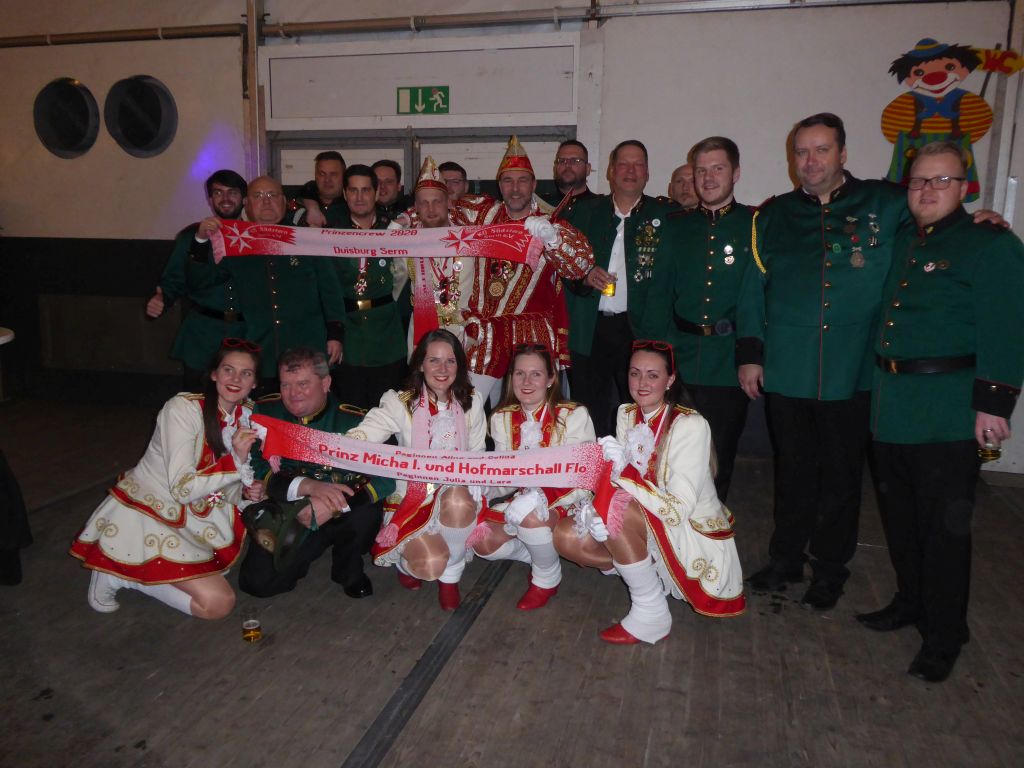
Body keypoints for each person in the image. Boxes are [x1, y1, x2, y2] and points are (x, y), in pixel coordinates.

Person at [858, 140, 1024, 682]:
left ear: (964, 187)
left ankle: (946, 633)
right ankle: (911, 601)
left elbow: (1006, 326)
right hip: (893, 405)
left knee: (945, 530)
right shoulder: (906, 238)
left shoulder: (989, 244)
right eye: (919, 180)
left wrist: (994, 405)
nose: (927, 190)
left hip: (948, 411)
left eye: (941, 180)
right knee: (901, 520)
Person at [736, 113, 911, 610]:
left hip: (853, 370)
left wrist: (980, 217)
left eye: (821, 150)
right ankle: (786, 558)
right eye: (801, 152)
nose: (810, 161)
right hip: (788, 368)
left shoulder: (886, 203)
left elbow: (937, 223)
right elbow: (753, 291)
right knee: (792, 472)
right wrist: (751, 356)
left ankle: (831, 569)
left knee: (841, 476)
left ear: (843, 153)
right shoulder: (772, 216)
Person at [554, 340, 745, 644]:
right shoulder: (626, 413)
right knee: (566, 535)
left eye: (653, 375)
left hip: (686, 529)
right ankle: (643, 571)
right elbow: (617, 482)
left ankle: (651, 612)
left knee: (612, 513)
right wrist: (595, 506)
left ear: (670, 380)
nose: (642, 383)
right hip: (643, 516)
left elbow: (677, 510)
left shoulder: (690, 425)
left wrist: (620, 479)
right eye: (635, 373)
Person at [70, 339, 261, 619]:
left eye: (246, 373)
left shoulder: (248, 415)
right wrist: (237, 461)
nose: (235, 379)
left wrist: (244, 491)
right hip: (154, 512)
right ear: (213, 374)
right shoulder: (183, 409)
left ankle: (140, 571)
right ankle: (121, 576)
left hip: (201, 515)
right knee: (217, 604)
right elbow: (182, 489)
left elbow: (223, 483)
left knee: (220, 577)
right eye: (228, 369)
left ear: (254, 383)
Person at [346, 329, 487, 611]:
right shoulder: (400, 402)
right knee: (430, 565)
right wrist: (335, 445)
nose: (442, 369)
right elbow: (365, 434)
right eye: (434, 360)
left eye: (450, 361)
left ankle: (451, 577)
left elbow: (478, 451)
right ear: (420, 364)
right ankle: (406, 563)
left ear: (459, 365)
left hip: (454, 496)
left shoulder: (472, 400)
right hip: (413, 498)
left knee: (459, 499)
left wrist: (475, 481)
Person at [645, 137, 753, 502]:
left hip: (728, 359)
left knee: (719, 455)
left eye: (717, 169)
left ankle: (711, 525)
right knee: (669, 450)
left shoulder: (753, 224)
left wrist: (752, 354)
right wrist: (655, 352)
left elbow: (758, 298)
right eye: (701, 170)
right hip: (680, 354)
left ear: (736, 173)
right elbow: (660, 291)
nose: (707, 178)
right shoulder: (676, 227)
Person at [238, 347, 393, 599]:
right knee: (257, 584)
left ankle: (347, 570)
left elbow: (386, 476)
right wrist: (307, 487)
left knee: (365, 514)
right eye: (285, 385)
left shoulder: (357, 421)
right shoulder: (267, 412)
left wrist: (333, 506)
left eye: (303, 384)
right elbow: (260, 464)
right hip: (292, 505)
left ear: (325, 383)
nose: (293, 394)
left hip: (343, 509)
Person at [461, 135, 595, 400]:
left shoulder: (549, 223)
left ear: (533, 184)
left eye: (523, 180)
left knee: (533, 411)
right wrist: (405, 222)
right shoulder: (482, 215)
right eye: (508, 180)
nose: (515, 188)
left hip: (531, 335)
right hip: (486, 335)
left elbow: (580, 266)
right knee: (466, 408)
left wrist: (553, 239)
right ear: (499, 185)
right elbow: (438, 208)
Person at [563, 139, 678, 436]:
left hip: (640, 329)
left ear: (647, 173)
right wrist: (584, 276)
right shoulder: (585, 213)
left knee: (640, 410)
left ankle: (638, 464)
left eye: (638, 164)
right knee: (589, 412)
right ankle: (593, 464)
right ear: (611, 171)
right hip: (590, 328)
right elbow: (562, 266)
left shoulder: (667, 217)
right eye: (623, 164)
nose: (630, 171)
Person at [471, 342, 595, 610]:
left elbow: (584, 478)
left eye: (536, 374)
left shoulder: (574, 415)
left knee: (531, 517)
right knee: (480, 539)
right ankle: (537, 553)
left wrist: (540, 497)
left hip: (568, 500)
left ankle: (547, 578)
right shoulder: (501, 418)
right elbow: (506, 477)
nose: (526, 382)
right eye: (520, 373)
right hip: (521, 500)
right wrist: (482, 487)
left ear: (551, 378)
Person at [204, 176, 345, 385]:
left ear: (284, 201)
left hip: (309, 344)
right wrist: (202, 240)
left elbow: (330, 290)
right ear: (246, 203)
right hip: (260, 348)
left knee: (316, 396)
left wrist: (336, 334)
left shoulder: (306, 238)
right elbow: (206, 280)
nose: (266, 201)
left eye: (272, 195)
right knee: (263, 402)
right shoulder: (235, 243)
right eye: (258, 196)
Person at [145, 169, 248, 391]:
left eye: (232, 192)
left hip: (245, 332)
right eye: (218, 193)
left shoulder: (256, 236)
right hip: (202, 333)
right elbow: (174, 279)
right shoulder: (191, 236)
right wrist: (162, 299)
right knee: (196, 399)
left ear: (244, 199)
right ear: (210, 200)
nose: (225, 198)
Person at [324, 164, 406, 409]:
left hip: (387, 334)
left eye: (366, 190)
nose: (359, 197)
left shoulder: (392, 230)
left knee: (388, 410)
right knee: (350, 409)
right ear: (345, 194)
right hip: (348, 335)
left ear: (376, 192)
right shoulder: (330, 234)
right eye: (353, 190)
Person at [392, 157, 477, 349]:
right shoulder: (407, 242)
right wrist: (398, 223)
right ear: (416, 207)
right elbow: (392, 286)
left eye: (437, 201)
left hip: (463, 336)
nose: (430, 209)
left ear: (449, 202)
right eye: (424, 203)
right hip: (422, 332)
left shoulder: (469, 236)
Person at [541, 139, 597, 209]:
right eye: (562, 161)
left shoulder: (601, 206)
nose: (567, 165)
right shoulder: (540, 206)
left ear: (587, 169)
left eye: (575, 160)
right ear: (555, 168)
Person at [299, 150, 348, 228]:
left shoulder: (353, 206)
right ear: (315, 175)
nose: (327, 180)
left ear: (344, 176)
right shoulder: (299, 202)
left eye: (333, 174)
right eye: (322, 174)